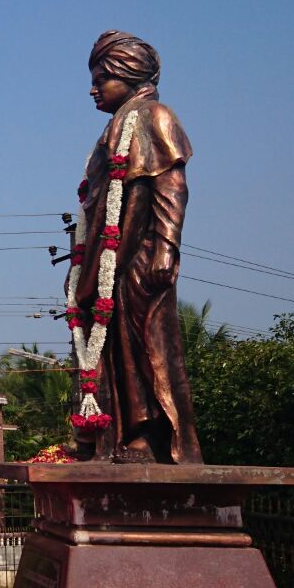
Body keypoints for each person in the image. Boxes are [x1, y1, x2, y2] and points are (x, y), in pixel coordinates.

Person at [71, 30, 203, 464]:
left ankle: (149, 436)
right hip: (108, 259)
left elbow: (171, 187)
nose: (93, 89)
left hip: (141, 255)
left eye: (101, 78)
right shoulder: (116, 125)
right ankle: (109, 436)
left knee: (144, 347)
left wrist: (166, 248)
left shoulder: (153, 116)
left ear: (126, 75)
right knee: (108, 348)